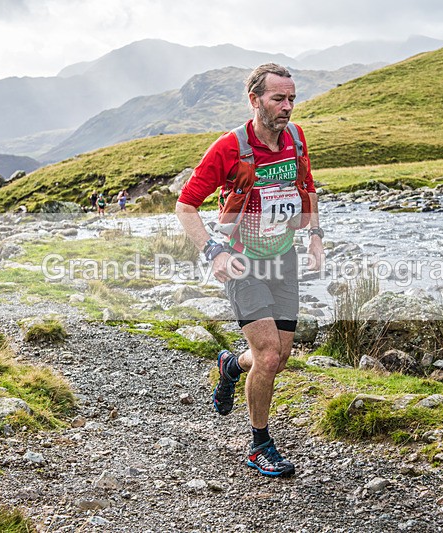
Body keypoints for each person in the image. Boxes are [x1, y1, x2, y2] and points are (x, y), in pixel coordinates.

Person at [176, 63, 324, 478]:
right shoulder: (229, 148)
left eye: (292, 98)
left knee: (279, 357)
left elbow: (307, 187)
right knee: (269, 353)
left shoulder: (295, 138)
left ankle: (230, 365)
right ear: (254, 100)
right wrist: (213, 252)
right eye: (279, 98)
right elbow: (186, 206)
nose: (288, 107)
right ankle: (260, 445)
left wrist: (315, 236)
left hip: (283, 257)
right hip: (242, 261)